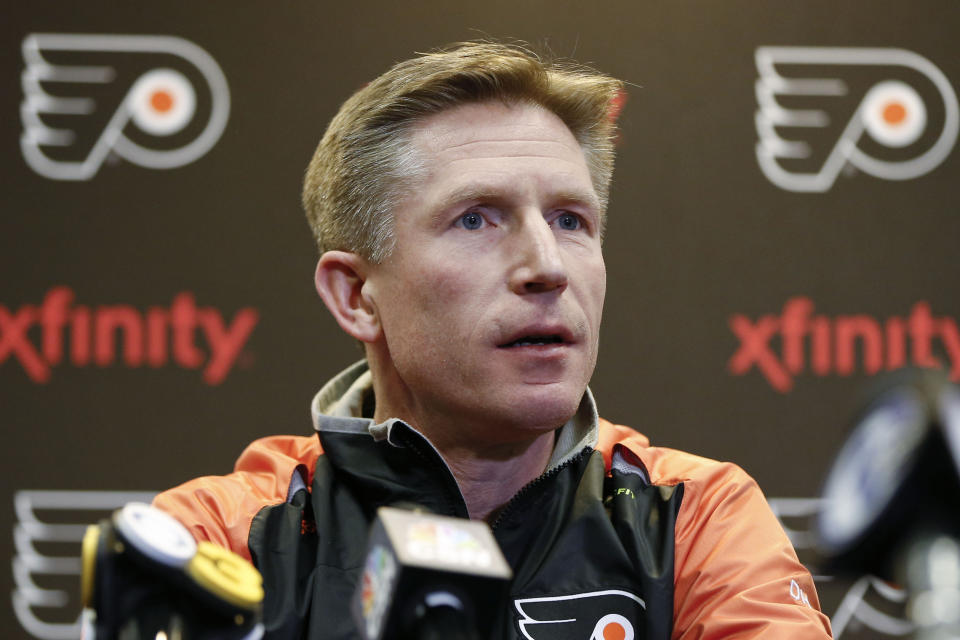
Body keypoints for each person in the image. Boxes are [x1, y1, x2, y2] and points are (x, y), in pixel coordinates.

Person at [155, 42, 833, 639]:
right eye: (476, 219)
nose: (547, 266)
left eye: (570, 219)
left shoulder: (694, 516)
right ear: (356, 295)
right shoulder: (221, 535)